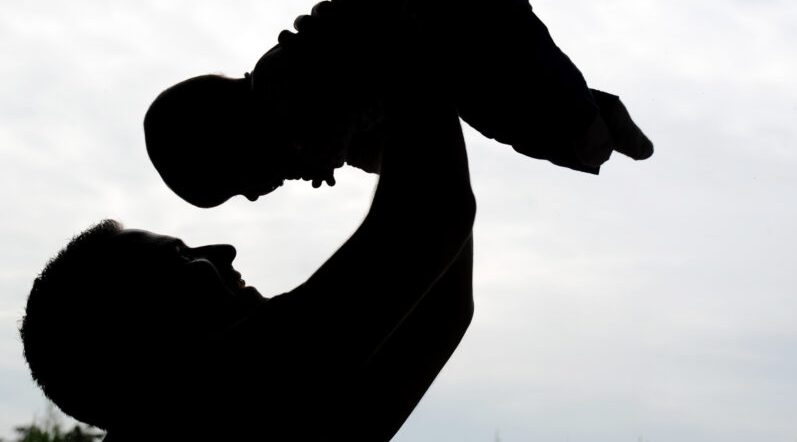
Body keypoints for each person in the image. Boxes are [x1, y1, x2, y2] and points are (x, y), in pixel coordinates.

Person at [21, 97, 477, 441]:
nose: (225, 249)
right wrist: (403, 54)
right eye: (179, 257)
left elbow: (441, 306)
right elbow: (433, 220)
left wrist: (392, 144)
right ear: (132, 328)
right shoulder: (218, 393)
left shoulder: (241, 405)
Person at [144, 0, 653, 208]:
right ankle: (596, 121)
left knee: (531, 94)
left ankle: (589, 122)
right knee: (512, 118)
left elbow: (358, 96)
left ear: (229, 134)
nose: (255, 196)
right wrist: (349, 151)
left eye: (238, 186)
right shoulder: (300, 114)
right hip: (456, 54)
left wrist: (332, 143)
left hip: (455, 15)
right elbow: (383, 132)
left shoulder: (282, 81)